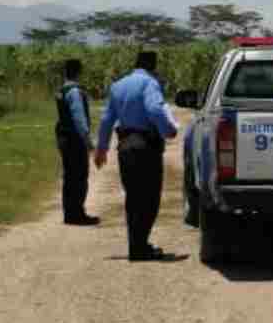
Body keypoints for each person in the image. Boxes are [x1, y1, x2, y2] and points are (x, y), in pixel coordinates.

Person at [94, 50, 181, 260]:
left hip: (125, 146)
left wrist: (101, 149)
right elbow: (155, 109)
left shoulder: (118, 85)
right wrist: (168, 130)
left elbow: (106, 120)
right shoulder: (149, 83)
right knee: (150, 198)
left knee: (133, 197)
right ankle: (140, 246)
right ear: (153, 66)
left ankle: (137, 245)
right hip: (146, 146)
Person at [56, 58, 99, 226]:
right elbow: (79, 119)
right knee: (79, 176)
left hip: (64, 138)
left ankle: (70, 213)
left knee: (69, 176)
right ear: (78, 72)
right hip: (75, 139)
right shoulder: (75, 92)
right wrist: (88, 140)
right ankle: (78, 214)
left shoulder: (61, 90)